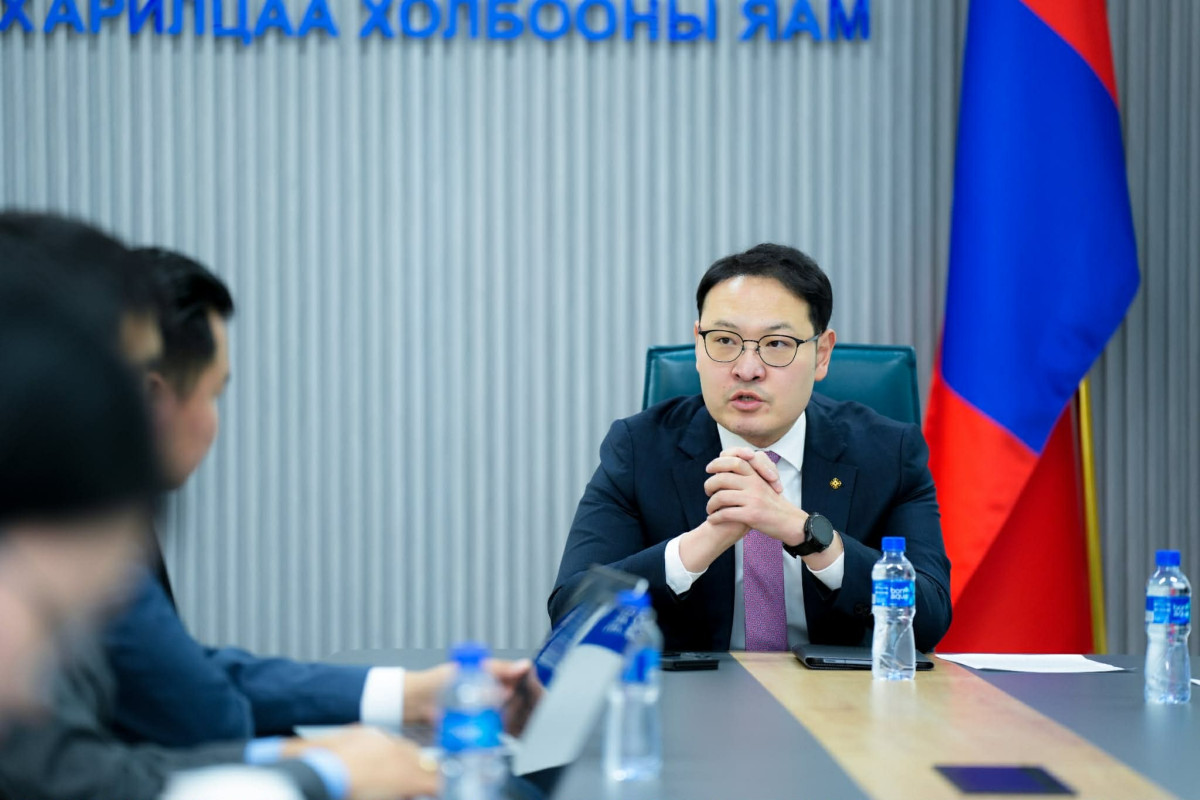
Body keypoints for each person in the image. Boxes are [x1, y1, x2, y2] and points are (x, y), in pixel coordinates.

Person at [0, 215, 442, 800]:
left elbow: (187, 678)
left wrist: (388, 708)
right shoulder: (64, 523)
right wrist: (321, 772)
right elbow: (70, 772)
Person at [103, 248, 530, 748]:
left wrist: (411, 694)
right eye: (213, 394)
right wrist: (328, 763)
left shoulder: (99, 509)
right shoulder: (82, 537)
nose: (215, 421)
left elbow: (185, 679)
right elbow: (203, 716)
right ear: (154, 400)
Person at [549, 243, 952, 653]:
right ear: (698, 345)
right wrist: (702, 543)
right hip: (695, 690)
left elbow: (929, 618)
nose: (747, 369)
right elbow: (570, 616)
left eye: (776, 344)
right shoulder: (638, 449)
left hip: (835, 690)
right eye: (724, 340)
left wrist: (806, 534)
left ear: (822, 354)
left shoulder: (889, 452)